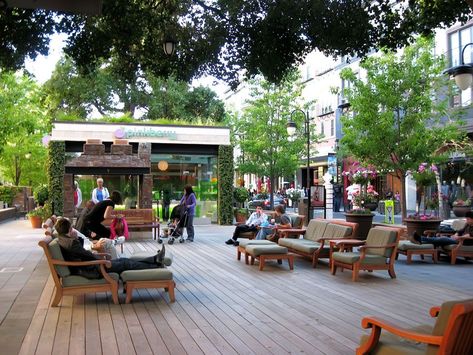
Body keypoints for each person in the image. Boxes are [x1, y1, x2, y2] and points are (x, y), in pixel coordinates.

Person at [55, 218, 166, 278]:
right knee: (125, 263)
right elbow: (87, 255)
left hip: (90, 266)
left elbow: (83, 254)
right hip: (92, 269)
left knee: (124, 261)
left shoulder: (62, 238)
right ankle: (155, 264)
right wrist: (103, 260)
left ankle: (154, 260)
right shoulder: (71, 242)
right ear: (69, 230)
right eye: (72, 228)